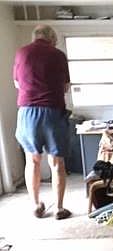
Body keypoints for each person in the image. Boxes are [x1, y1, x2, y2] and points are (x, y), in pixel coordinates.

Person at [13, 24, 72, 219]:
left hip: (27, 112)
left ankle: (36, 205)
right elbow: (65, 87)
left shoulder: (21, 53)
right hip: (52, 112)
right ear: (52, 39)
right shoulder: (58, 55)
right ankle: (59, 208)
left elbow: (17, 83)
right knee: (57, 162)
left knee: (32, 160)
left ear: (34, 37)